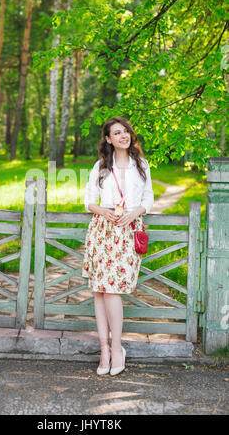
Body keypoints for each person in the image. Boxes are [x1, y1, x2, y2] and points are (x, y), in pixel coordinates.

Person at [82, 116, 154, 376]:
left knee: (112, 290)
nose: (123, 136)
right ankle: (104, 350)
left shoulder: (141, 164)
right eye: (117, 133)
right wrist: (104, 210)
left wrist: (134, 214)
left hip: (128, 230)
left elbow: (149, 198)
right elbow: (88, 200)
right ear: (108, 139)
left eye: (126, 131)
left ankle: (116, 348)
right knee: (99, 292)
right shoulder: (101, 165)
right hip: (103, 229)